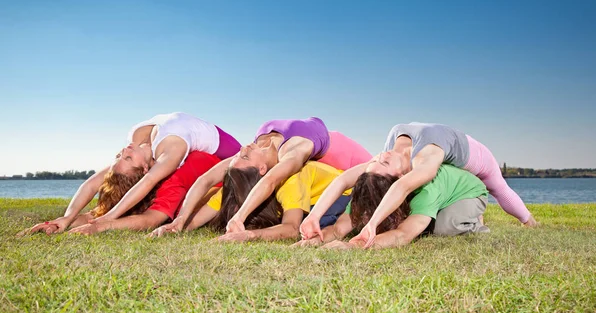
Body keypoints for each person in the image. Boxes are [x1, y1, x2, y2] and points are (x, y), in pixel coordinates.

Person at [300, 122, 536, 248]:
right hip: (440, 159)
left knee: (444, 227)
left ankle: (523, 220)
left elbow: (403, 234)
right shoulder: (381, 168)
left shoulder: (425, 166)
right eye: (374, 164)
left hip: (474, 168)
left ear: (402, 177)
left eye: (378, 163)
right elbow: (342, 182)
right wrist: (314, 227)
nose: (378, 159)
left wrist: (367, 233)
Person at [18, 112, 240, 235]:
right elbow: (151, 212)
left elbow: (94, 182)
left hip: (237, 161)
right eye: (126, 158)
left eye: (119, 156)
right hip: (238, 166)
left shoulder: (136, 144)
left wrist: (70, 217)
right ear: (145, 168)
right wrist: (105, 220)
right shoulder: (170, 160)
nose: (124, 151)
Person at [152, 117, 371, 236]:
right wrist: (181, 223)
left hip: (341, 150)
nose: (243, 149)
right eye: (243, 156)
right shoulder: (291, 158)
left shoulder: (273, 162)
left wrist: (239, 218)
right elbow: (205, 180)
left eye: (242, 155)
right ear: (261, 168)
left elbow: (208, 179)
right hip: (336, 171)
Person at [17, 151, 222, 236]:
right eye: (124, 156)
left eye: (124, 156)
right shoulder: (164, 178)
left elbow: (151, 219)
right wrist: (60, 221)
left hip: (226, 187)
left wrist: (106, 225)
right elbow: (96, 214)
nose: (126, 150)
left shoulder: (170, 172)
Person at [150, 161, 352, 242]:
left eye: (243, 156)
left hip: (341, 195)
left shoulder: (290, 178)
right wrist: (175, 227)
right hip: (306, 201)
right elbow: (196, 220)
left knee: (307, 229)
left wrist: (248, 235)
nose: (246, 146)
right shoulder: (237, 183)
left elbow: (291, 228)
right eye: (242, 156)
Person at [311, 164, 490, 249]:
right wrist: (315, 239)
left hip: (467, 192)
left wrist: (354, 246)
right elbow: (339, 227)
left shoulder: (425, 190)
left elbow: (403, 234)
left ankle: (475, 221)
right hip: (438, 194)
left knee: (441, 228)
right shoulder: (370, 186)